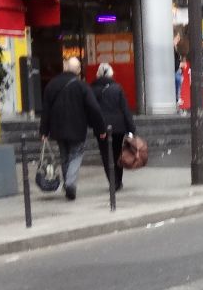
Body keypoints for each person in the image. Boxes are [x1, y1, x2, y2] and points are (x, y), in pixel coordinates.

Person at [40, 57, 105, 201]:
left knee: (64, 156)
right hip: (77, 127)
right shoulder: (82, 86)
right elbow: (94, 108)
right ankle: (70, 183)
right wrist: (101, 128)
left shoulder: (52, 84)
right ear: (78, 70)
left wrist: (44, 131)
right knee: (76, 155)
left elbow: (46, 110)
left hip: (57, 129)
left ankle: (68, 184)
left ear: (65, 68)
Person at [91, 63, 135, 191]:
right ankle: (118, 181)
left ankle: (113, 181)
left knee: (106, 155)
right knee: (117, 153)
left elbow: (91, 110)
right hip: (118, 127)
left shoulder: (92, 89)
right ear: (111, 74)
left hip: (101, 127)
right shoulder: (117, 88)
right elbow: (125, 109)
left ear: (98, 74)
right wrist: (130, 128)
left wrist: (92, 124)